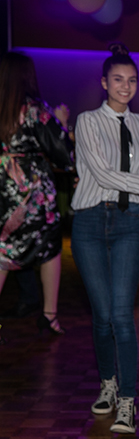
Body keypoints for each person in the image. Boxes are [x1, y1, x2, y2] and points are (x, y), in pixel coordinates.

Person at [71, 43, 139, 434]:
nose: (125, 86)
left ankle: (128, 401)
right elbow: (101, 174)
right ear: (104, 83)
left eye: (132, 80)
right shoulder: (86, 121)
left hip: (129, 221)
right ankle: (108, 383)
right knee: (102, 317)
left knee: (121, 316)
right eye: (118, 79)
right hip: (89, 223)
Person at [0, 51, 72, 336]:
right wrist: (61, 122)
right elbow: (63, 154)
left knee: (2, 251)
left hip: (2, 188)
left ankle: (47, 315)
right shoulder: (35, 110)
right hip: (31, 192)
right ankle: (49, 316)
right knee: (49, 248)